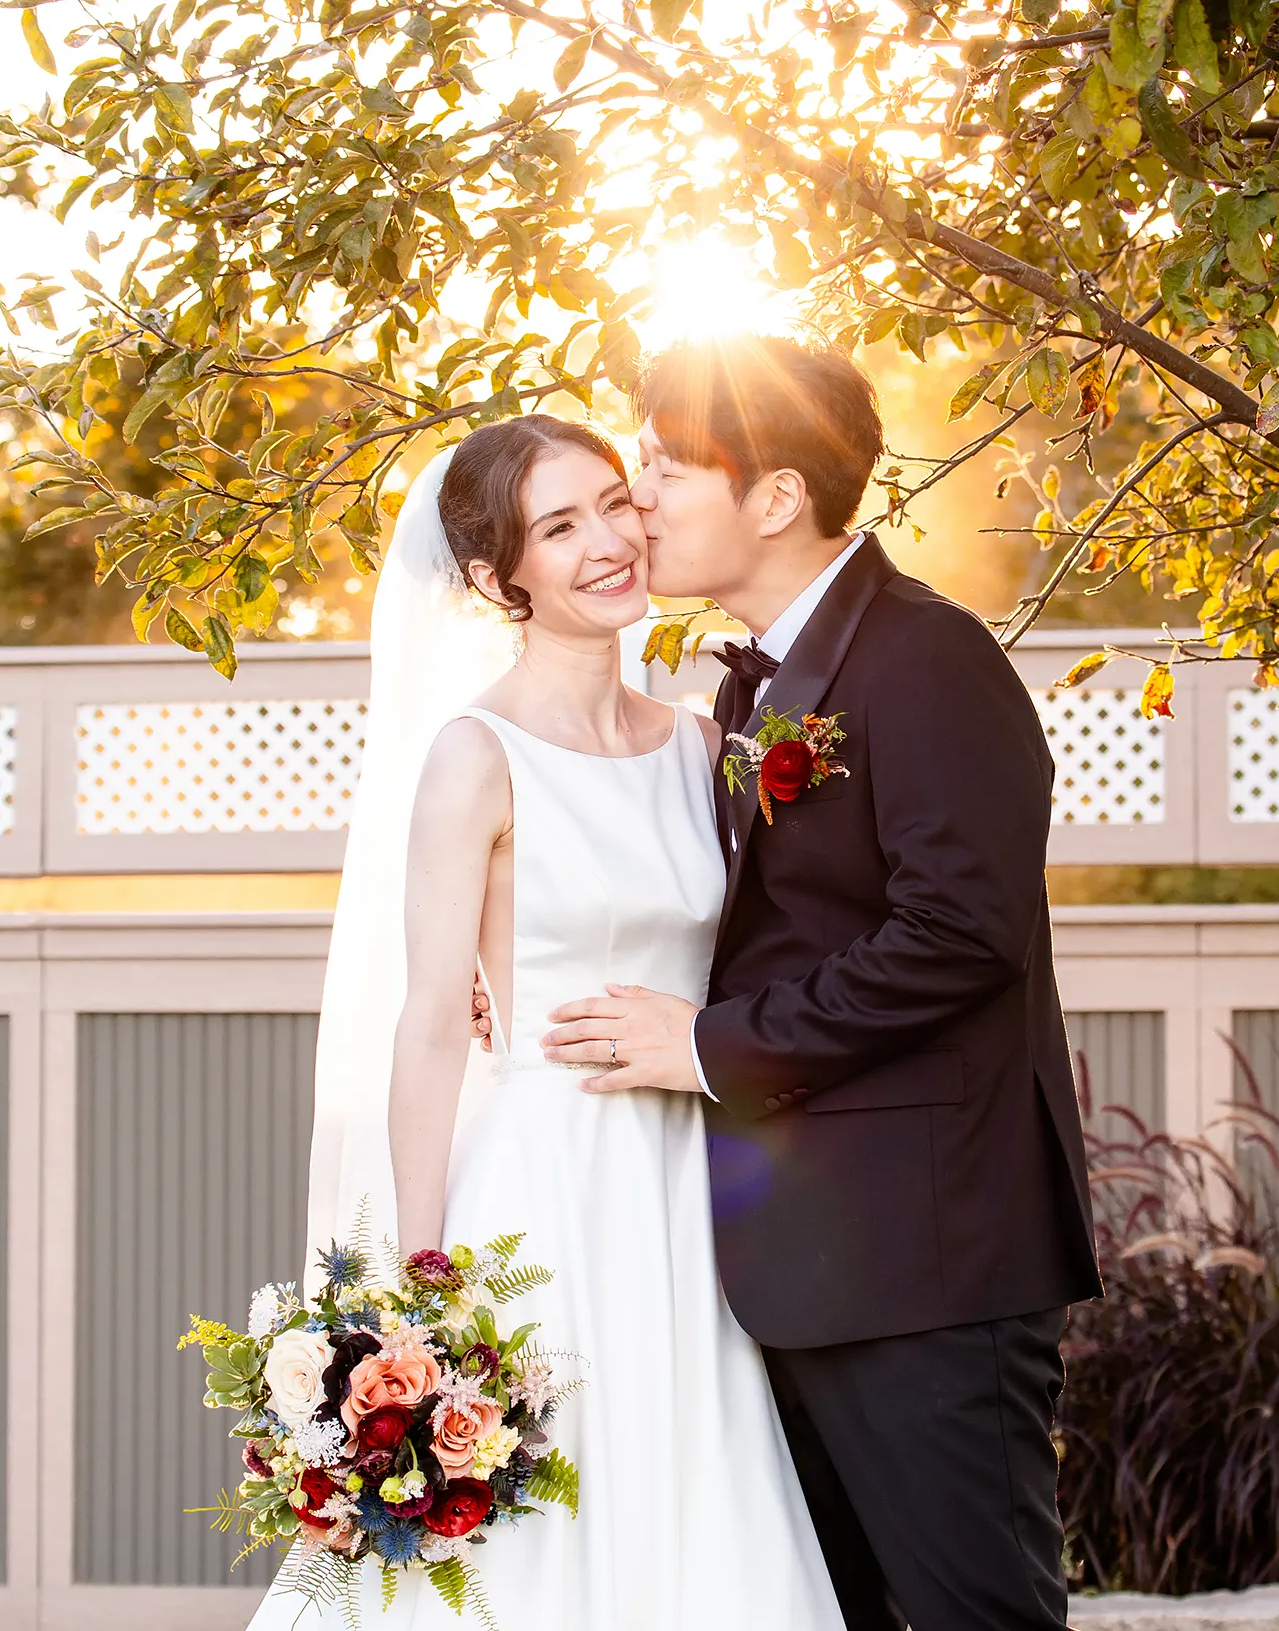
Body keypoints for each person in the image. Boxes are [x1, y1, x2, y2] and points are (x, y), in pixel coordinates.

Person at [537, 336, 1103, 1631]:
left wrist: (706, 1045)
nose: (639, 498)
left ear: (778, 495)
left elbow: (962, 931)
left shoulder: (927, 659)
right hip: (787, 1260)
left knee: (978, 1614)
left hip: (929, 1261)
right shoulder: (752, 687)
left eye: (669, 469)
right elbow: (742, 921)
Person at [245, 414, 843, 1630]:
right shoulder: (475, 754)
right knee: (539, 1533)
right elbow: (424, 1018)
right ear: (492, 579)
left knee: (698, 1500)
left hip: (695, 1188)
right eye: (556, 528)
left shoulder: (704, 745)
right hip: (541, 1192)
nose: (607, 541)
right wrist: (421, 1276)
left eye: (614, 504)